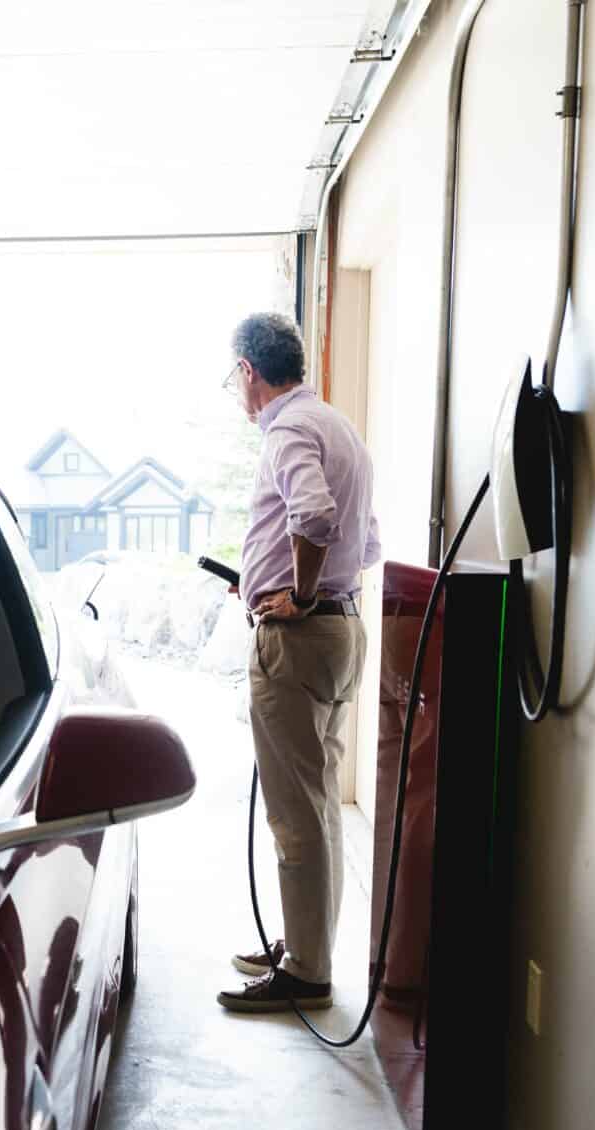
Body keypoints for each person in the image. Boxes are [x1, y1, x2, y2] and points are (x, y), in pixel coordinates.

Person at [217, 312, 381, 1014]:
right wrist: (266, 579)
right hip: (342, 632)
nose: (234, 388)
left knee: (295, 811)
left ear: (249, 372)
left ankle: (307, 971)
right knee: (320, 807)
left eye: (234, 376)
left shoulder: (285, 429)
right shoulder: (336, 426)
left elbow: (314, 518)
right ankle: (306, 945)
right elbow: (366, 543)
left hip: (302, 638)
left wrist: (298, 594)